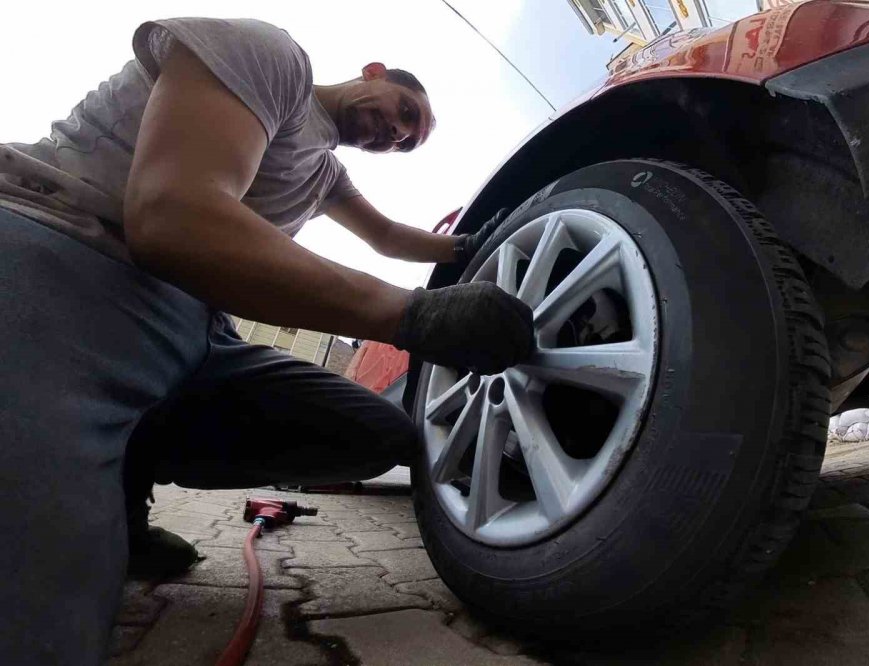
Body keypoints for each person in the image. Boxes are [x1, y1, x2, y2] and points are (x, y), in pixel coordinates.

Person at [0, 17, 534, 665]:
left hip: (197, 327)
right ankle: (98, 485)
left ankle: (125, 467)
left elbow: (390, 238)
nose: (394, 134)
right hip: (71, 251)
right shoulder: (272, 59)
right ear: (374, 72)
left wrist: (476, 245)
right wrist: (413, 317)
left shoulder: (324, 175)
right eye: (403, 113)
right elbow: (173, 217)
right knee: (40, 584)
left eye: (404, 142)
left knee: (376, 437)